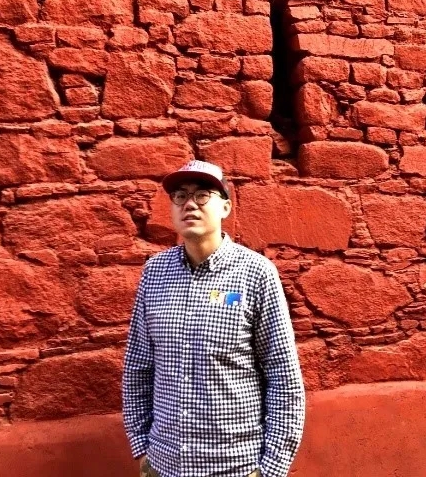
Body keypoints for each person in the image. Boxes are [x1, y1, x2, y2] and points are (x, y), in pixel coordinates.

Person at [122, 160, 305, 477]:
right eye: (180, 196)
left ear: (225, 207)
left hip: (235, 467)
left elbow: (283, 376)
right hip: (163, 465)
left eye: (202, 195)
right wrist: (142, 446)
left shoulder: (256, 274)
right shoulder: (154, 273)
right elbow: (138, 365)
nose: (189, 204)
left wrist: (271, 468)